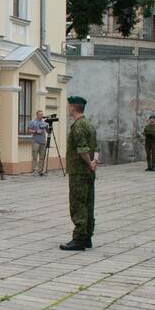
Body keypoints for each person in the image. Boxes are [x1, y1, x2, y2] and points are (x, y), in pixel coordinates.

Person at [60, 96, 98, 251]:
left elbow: (82, 149)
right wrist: (94, 163)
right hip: (88, 172)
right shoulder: (89, 124)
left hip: (79, 172)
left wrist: (89, 163)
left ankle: (79, 238)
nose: (68, 109)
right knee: (88, 203)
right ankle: (87, 236)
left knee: (78, 203)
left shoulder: (78, 127)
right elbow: (95, 147)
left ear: (73, 108)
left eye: (69, 107)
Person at [29, 110, 49, 176]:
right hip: (36, 141)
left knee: (42, 157)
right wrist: (36, 131)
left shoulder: (44, 122)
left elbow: (48, 132)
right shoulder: (33, 122)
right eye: (40, 114)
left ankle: (40, 170)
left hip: (43, 142)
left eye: (42, 114)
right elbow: (29, 130)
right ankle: (34, 170)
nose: (41, 116)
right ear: (37, 115)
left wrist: (48, 127)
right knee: (35, 156)